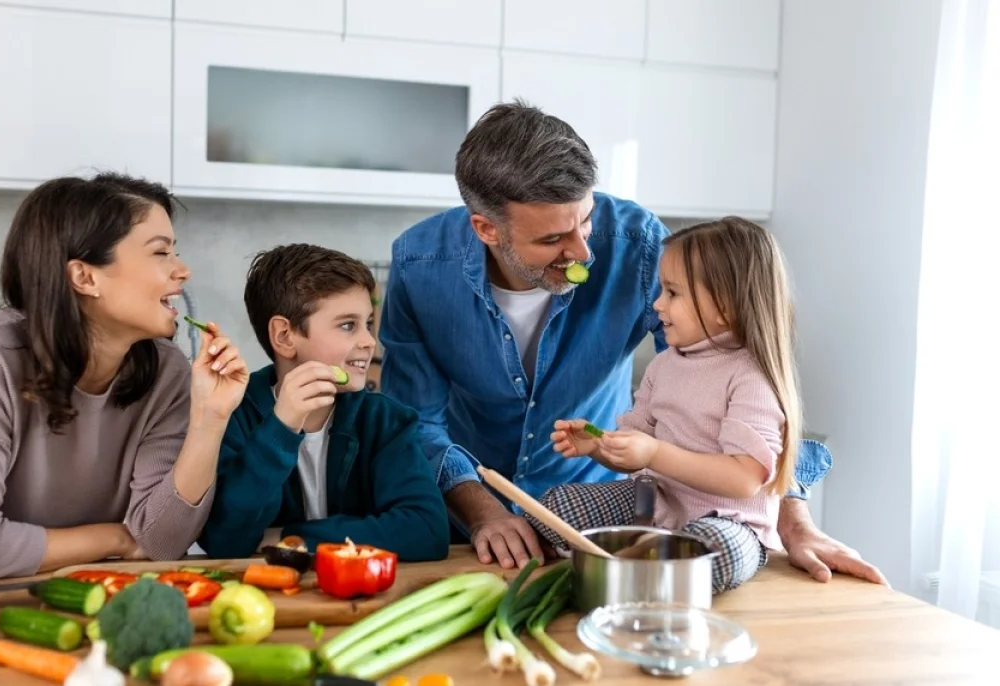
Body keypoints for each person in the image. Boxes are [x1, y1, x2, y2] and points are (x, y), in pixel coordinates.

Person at [379, 100, 887, 585]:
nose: (581, 250)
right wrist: (485, 512)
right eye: (553, 240)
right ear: (487, 229)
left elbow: (739, 379)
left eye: (586, 220)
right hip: (472, 516)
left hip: (609, 526)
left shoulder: (638, 246)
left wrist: (793, 522)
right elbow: (415, 422)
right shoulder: (421, 266)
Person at [0, 173, 249, 580]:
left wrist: (210, 419)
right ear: (85, 277)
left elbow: (161, 542)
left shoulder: (168, 371)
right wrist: (114, 539)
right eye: (161, 252)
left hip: (77, 572)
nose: (182, 271)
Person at [530, 217, 799, 593]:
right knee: (554, 507)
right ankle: (652, 556)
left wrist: (654, 453)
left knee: (711, 548)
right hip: (655, 504)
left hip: (730, 521)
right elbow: (637, 445)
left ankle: (645, 559)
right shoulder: (665, 363)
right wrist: (598, 445)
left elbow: (744, 479)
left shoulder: (750, 377)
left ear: (725, 305)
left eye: (672, 293)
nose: (657, 304)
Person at [196, 244, 449, 561]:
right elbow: (224, 540)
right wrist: (281, 428)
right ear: (285, 336)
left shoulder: (386, 421)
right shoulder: (233, 415)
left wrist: (293, 538)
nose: (369, 341)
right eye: (348, 325)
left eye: (368, 323)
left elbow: (427, 531)